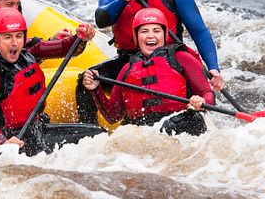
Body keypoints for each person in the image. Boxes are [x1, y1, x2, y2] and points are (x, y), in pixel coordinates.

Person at [77, 0, 224, 123]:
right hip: (129, 60)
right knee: (84, 81)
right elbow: (102, 19)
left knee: (193, 97)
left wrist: (213, 67)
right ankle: (92, 130)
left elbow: (199, 31)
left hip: (171, 59)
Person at [0, 7, 96, 156]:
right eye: (7, 37)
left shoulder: (26, 50)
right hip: (6, 142)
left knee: (96, 136)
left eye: (19, 36)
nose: (14, 43)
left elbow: (63, 48)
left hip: (35, 129)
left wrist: (81, 39)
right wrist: (3, 142)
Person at [82, 8, 214, 136]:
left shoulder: (182, 58)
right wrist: (96, 89)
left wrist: (201, 101)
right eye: (144, 31)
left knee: (167, 128)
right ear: (136, 36)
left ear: (164, 34)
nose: (151, 35)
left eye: (156, 31)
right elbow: (113, 116)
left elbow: (208, 94)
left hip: (182, 124)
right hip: (144, 131)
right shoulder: (127, 69)